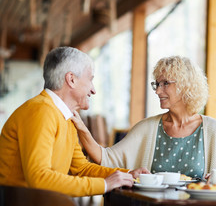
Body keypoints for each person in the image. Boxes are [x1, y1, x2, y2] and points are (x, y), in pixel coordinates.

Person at [0, 47, 149, 197]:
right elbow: (39, 178)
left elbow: (81, 168)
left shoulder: (66, 117)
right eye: (90, 79)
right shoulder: (42, 111)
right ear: (71, 79)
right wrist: (105, 184)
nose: (93, 90)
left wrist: (128, 175)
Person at [73, 56, 216, 179]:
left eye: (165, 84)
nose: (157, 91)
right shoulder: (148, 127)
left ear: (185, 86)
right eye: (157, 84)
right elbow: (105, 158)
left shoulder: (211, 128)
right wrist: (81, 126)